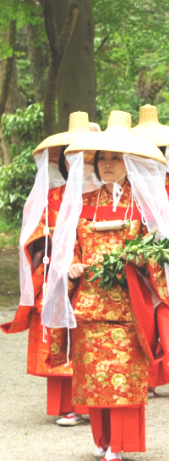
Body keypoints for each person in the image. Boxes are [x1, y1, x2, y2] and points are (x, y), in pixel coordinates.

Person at [42, 111, 169, 461]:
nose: (107, 164)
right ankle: (103, 440)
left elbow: (160, 253)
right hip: (89, 303)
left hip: (128, 305)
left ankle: (118, 446)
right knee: (93, 376)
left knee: (122, 374)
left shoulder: (145, 204)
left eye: (115, 158)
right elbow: (69, 246)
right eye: (102, 158)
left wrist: (140, 261)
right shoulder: (83, 203)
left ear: (130, 161)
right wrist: (72, 265)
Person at [1, 112, 93, 426]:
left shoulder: (105, 198)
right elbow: (37, 234)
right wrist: (57, 254)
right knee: (59, 331)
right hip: (57, 275)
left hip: (95, 273)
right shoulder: (52, 197)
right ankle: (67, 404)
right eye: (73, 159)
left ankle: (96, 402)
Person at [131, 104, 169, 395]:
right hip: (134, 254)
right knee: (138, 313)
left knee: (162, 312)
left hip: (167, 255)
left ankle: (161, 368)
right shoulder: (126, 183)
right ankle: (143, 373)